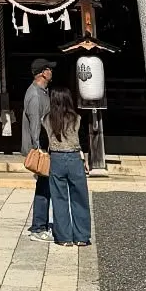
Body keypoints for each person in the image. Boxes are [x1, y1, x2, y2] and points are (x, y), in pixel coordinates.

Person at [46, 87, 93, 248]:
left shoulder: (47, 119)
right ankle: (82, 236)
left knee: (59, 199)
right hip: (74, 157)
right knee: (79, 197)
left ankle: (64, 237)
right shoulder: (77, 118)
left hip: (56, 158)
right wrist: (86, 160)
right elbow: (84, 141)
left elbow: (43, 142)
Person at [22, 58, 53, 237]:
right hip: (41, 148)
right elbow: (35, 125)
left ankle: (42, 224)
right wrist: (39, 149)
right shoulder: (35, 95)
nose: (51, 72)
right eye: (49, 69)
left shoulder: (42, 92)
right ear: (42, 73)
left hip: (45, 146)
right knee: (43, 187)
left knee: (46, 187)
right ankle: (38, 226)